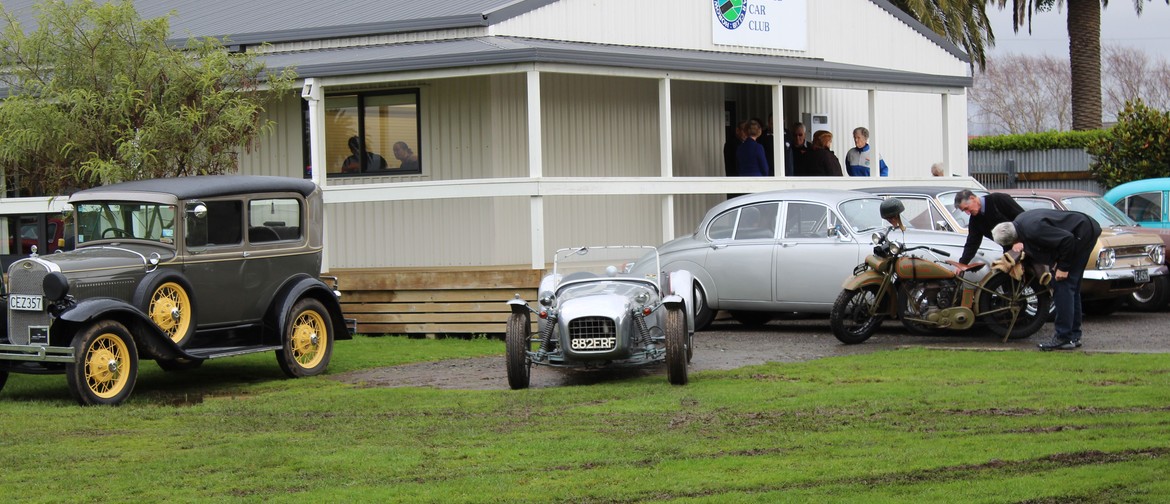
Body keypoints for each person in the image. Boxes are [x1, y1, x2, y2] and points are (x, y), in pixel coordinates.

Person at [992, 210, 1102, 351]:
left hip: (1082, 233)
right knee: (1071, 288)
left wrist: (1063, 267)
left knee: (1063, 286)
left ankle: (1064, 337)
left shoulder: (1033, 230)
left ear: (1014, 240)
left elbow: (1067, 239)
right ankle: (1073, 335)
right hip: (1084, 227)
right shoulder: (1020, 221)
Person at [953, 189, 1025, 268]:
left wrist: (1019, 241)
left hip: (1027, 244)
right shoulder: (974, 220)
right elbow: (972, 243)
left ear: (972, 198)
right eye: (964, 211)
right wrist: (962, 264)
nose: (967, 213)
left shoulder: (998, 200)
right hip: (1010, 252)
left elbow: (1023, 218)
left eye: (967, 208)